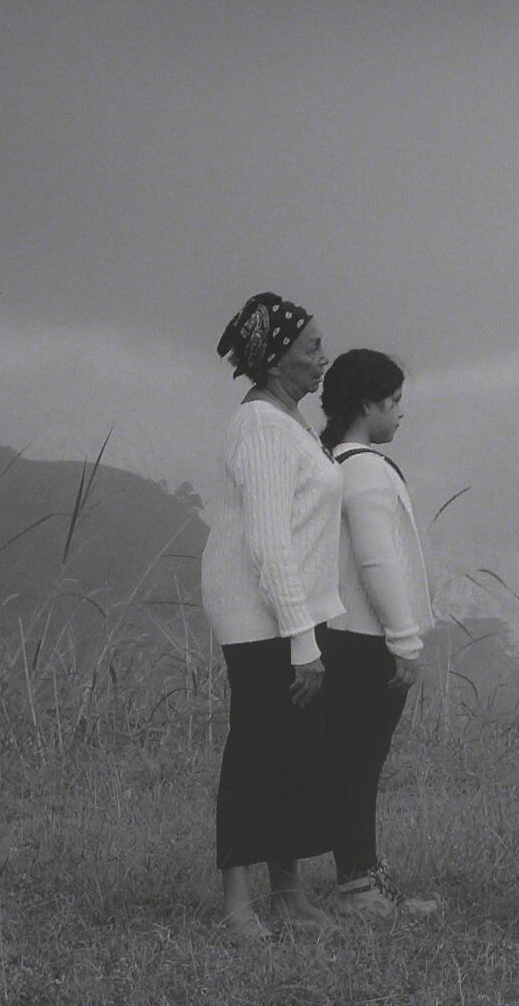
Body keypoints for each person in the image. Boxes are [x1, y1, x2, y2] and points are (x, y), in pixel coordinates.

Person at [200, 292, 348, 940]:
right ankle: (238, 905)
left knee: (295, 751)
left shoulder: (287, 422)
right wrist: (300, 640)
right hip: (262, 615)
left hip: (291, 612)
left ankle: (288, 894)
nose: (323, 358)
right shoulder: (260, 426)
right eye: (311, 347)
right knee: (259, 748)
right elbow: (268, 539)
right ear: (277, 356)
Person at [313, 347, 442, 917]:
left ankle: (362, 879)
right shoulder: (363, 468)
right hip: (364, 640)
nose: (399, 414)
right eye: (393, 402)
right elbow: (376, 560)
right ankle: (359, 887)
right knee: (360, 765)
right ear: (367, 405)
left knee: (351, 762)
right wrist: (404, 640)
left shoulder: (334, 462)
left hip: (344, 636)